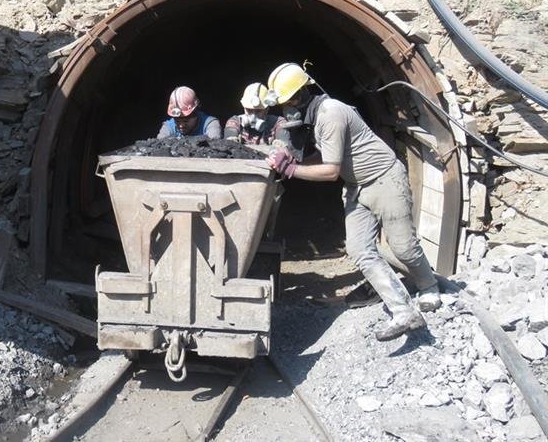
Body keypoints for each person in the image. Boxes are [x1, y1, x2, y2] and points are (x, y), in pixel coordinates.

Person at [265, 63, 441, 341]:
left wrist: (290, 170)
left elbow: (330, 171)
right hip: (357, 187)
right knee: (359, 249)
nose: (287, 109)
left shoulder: (330, 114)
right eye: (283, 105)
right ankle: (403, 310)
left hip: (384, 179)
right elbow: (325, 156)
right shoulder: (317, 117)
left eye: (288, 103)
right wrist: (297, 161)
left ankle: (429, 286)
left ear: (301, 94)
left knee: (403, 247)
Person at [224, 82, 296, 151]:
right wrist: (233, 140)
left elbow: (284, 146)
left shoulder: (278, 123)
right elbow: (229, 143)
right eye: (249, 110)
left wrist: (280, 145)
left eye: (258, 111)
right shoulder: (235, 122)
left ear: (267, 109)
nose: (253, 116)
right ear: (244, 108)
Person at [157, 85, 222, 139]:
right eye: (177, 121)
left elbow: (215, 141)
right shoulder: (168, 127)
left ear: (195, 114)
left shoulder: (210, 124)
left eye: (185, 121)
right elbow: (158, 144)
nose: (181, 125)